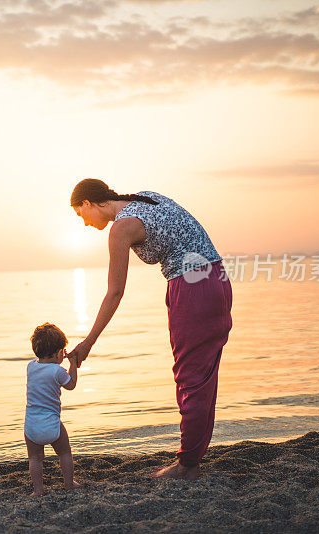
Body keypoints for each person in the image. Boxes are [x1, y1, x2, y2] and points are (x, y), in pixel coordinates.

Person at [67, 178, 233, 481]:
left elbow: (114, 292)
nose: (85, 224)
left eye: (81, 215)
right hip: (216, 279)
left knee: (191, 379)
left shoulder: (121, 228)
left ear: (89, 203)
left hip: (192, 287)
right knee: (203, 376)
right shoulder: (145, 198)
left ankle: (187, 467)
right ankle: (192, 458)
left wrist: (88, 341)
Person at [24, 323, 83, 496]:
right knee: (64, 452)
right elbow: (70, 385)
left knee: (35, 458)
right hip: (52, 423)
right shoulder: (57, 371)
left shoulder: (30, 367)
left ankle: (38, 490)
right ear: (58, 353)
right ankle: (69, 483)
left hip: (32, 425)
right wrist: (72, 363)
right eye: (62, 352)